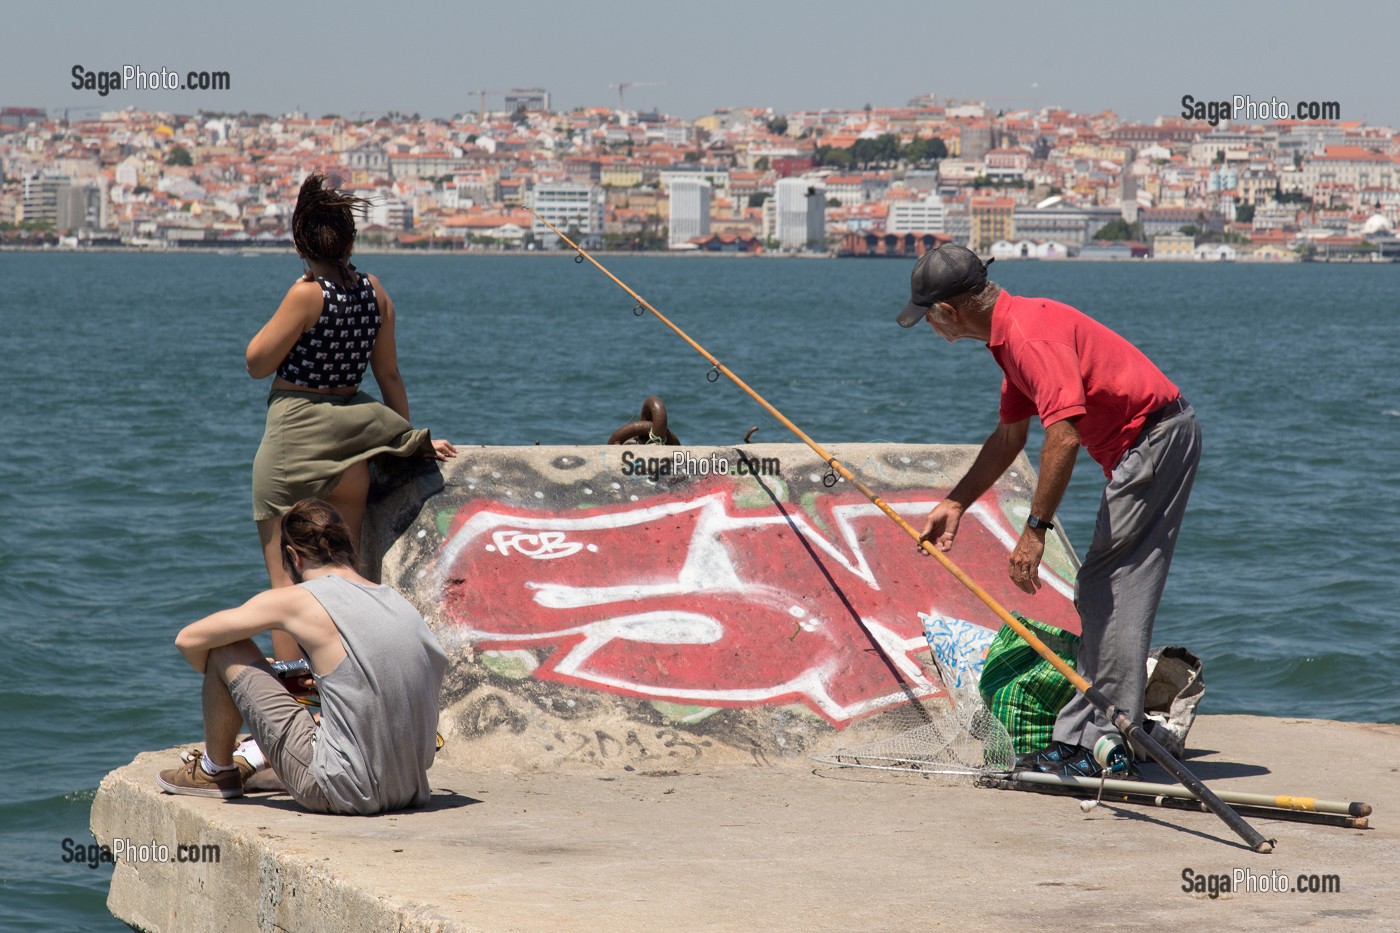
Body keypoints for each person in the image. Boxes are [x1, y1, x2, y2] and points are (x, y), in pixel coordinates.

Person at [897, 243, 1201, 780]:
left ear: (947, 311)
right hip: (1148, 444)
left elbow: (1061, 435)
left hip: (1154, 441)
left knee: (1112, 589)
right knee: (1104, 589)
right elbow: (1011, 435)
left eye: (927, 318)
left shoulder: (1027, 337)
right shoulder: (1012, 334)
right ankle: (1090, 736)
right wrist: (956, 503)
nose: (930, 329)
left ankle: (1104, 739)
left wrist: (1034, 531)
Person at [246, 171, 455, 656]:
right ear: (350, 239)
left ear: (301, 243)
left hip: (293, 443)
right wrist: (405, 440)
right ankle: (353, 680)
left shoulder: (306, 294)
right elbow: (390, 377)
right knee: (347, 579)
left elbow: (257, 362)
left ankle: (299, 702)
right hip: (353, 451)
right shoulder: (372, 291)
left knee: (287, 588)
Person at [157, 499, 449, 814]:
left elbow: (187, 639)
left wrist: (233, 685)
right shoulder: (397, 603)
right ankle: (254, 763)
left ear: (294, 557)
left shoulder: (301, 600)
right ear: (347, 548)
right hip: (411, 788)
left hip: (343, 791)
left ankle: (215, 772)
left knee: (225, 648)